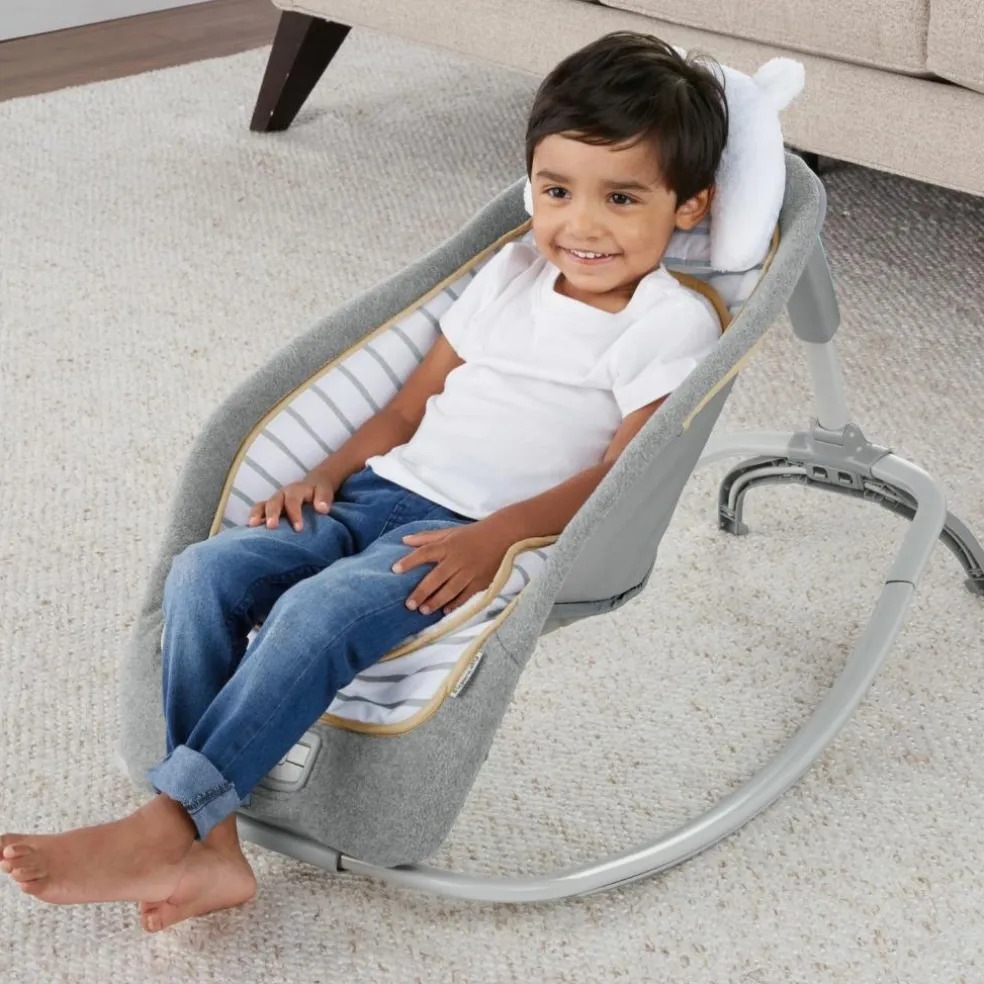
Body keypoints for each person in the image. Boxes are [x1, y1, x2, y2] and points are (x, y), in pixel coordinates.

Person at [0, 31, 728, 930]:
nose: (580, 226)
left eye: (621, 198)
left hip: (471, 537)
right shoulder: (510, 274)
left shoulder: (670, 322)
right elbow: (409, 406)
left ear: (689, 206)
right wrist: (326, 471)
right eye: (556, 191)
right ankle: (212, 847)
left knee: (317, 614)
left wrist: (497, 536)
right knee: (205, 572)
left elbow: (626, 475)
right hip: (378, 490)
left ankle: (168, 821)